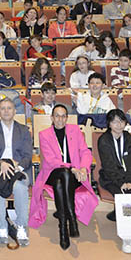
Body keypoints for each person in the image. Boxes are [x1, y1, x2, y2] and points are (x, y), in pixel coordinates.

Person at [28, 104, 98, 250]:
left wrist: (84, 168)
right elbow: (50, 160)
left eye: (63, 116)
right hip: (52, 172)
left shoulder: (75, 131)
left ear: (67, 117)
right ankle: (71, 217)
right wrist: (72, 168)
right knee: (63, 174)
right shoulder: (44, 134)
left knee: (62, 182)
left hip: (73, 175)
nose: (60, 119)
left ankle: (63, 229)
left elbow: (85, 152)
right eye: (57, 116)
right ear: (52, 118)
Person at [0, 99, 32, 245]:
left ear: (15, 111)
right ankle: (2, 227)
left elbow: (28, 156)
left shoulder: (23, 130)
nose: (6, 111)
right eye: (3, 108)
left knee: (19, 187)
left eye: (9, 108)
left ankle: (21, 226)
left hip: (19, 168)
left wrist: (17, 167)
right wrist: (1, 163)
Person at [97, 109, 131, 254]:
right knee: (123, 195)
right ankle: (126, 237)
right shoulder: (104, 140)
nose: (118, 125)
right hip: (111, 178)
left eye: (121, 121)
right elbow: (108, 165)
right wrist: (120, 182)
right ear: (109, 124)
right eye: (114, 121)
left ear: (125, 123)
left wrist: (129, 181)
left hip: (130, 178)